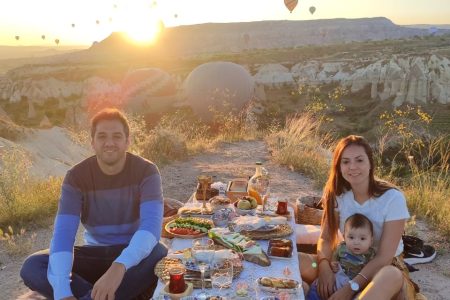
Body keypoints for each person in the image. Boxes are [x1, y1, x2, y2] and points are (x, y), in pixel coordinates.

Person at [20, 108, 168, 300]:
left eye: (117, 136)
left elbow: (150, 229)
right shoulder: (76, 177)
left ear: (127, 141)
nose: (109, 143)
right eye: (102, 136)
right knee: (33, 266)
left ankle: (94, 293)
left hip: (133, 256)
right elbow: (63, 236)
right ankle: (103, 294)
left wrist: (119, 267)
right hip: (94, 253)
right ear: (93, 142)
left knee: (159, 252)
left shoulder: (146, 171)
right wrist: (62, 291)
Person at [299, 135, 420, 300]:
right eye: (346, 161)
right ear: (339, 166)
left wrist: (351, 287)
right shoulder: (337, 194)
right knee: (296, 260)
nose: (352, 167)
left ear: (370, 163)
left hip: (381, 270)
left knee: (390, 275)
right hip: (345, 263)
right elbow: (326, 238)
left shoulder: (392, 198)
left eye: (359, 160)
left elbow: (384, 256)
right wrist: (324, 267)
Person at [307, 213, 376, 300]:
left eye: (362, 239)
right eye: (351, 237)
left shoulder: (370, 254)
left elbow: (372, 270)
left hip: (355, 282)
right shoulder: (342, 247)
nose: (356, 242)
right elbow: (335, 256)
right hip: (338, 278)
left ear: (371, 241)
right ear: (344, 237)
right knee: (317, 288)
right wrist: (333, 263)